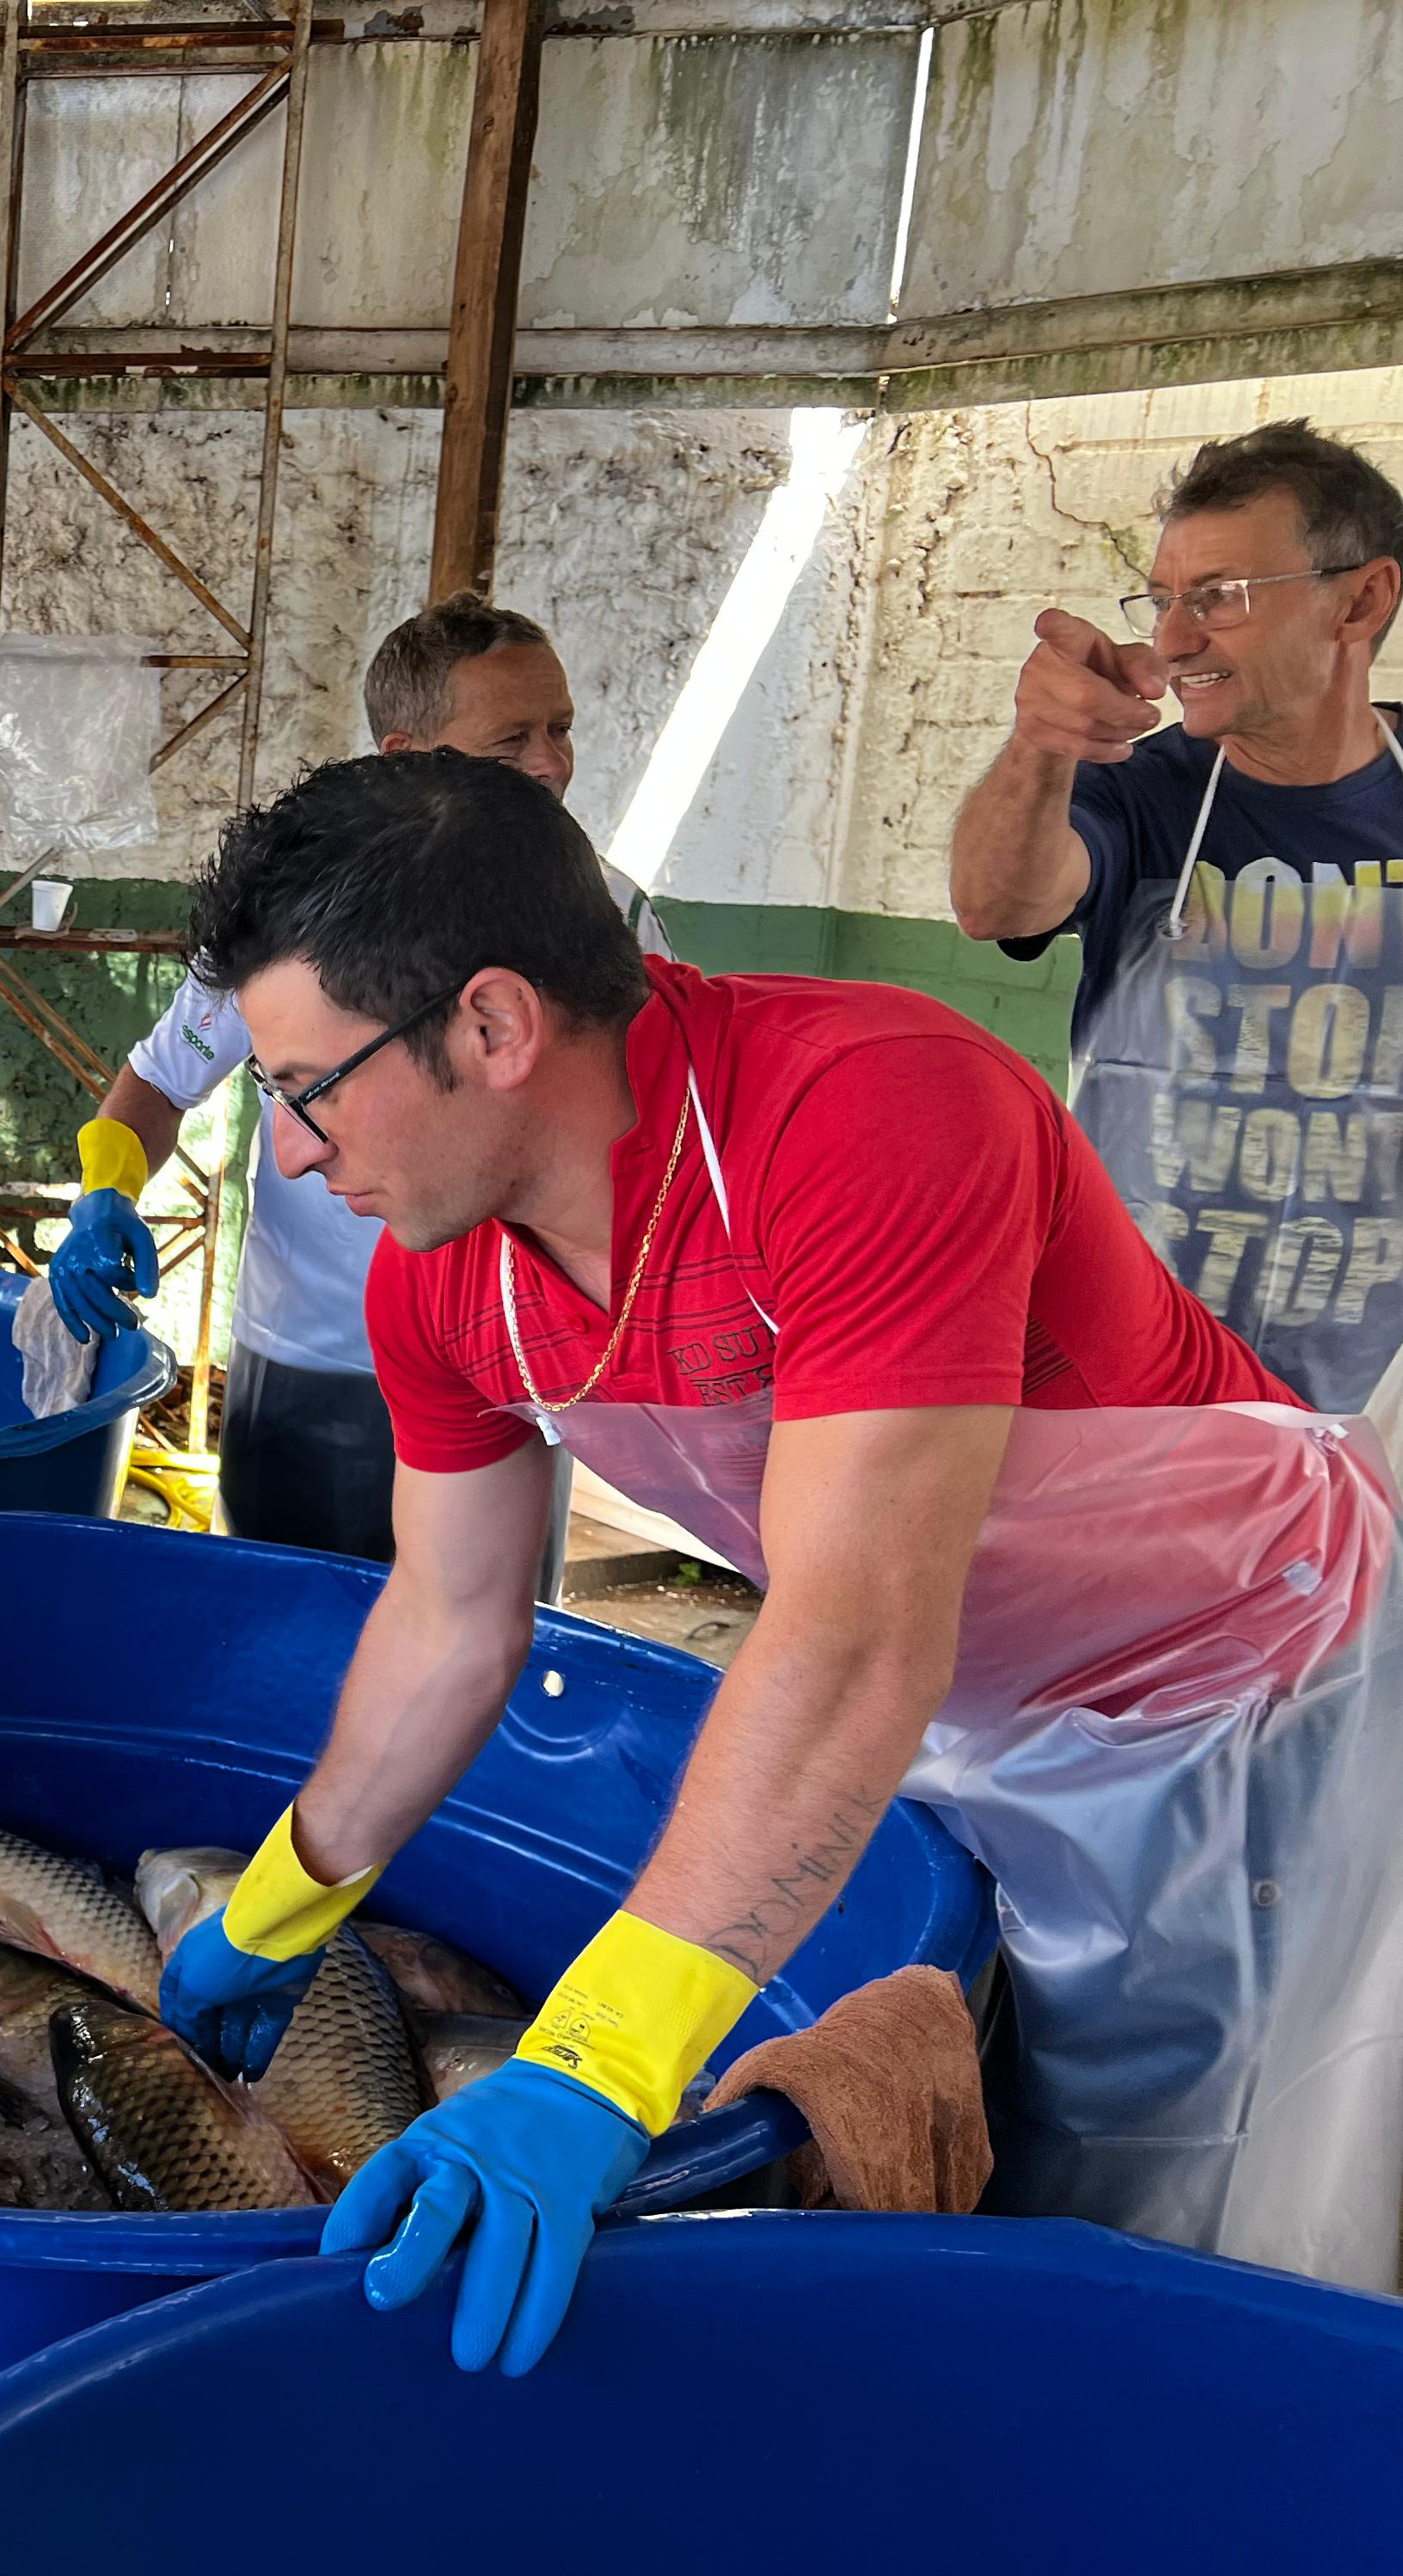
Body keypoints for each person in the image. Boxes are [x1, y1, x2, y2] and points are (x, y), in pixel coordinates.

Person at [158, 752, 1395, 2376]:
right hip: (975, 1718)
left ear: (493, 1024)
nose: (292, 1153)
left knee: (1209, 2244)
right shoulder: (440, 1280)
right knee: (1011, 2157)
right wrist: (278, 1900)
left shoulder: (868, 1112)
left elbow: (855, 1635)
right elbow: (451, 1619)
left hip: (1256, 1708)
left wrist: (594, 2062)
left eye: (309, 1086)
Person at [44, 593, 668, 1558]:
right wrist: (105, 1192)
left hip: (514, 1356)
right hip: (317, 1354)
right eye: (510, 742)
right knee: (292, 1617)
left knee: (484, 1622)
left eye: (560, 729)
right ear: (407, 755)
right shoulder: (290, 915)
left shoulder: (606, 916)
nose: (551, 763)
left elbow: (653, 1124)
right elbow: (160, 1083)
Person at [950, 420, 1403, 1415]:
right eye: (1162, 600)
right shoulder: (1140, 792)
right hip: (1130, 1368)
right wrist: (1040, 746)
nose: (1171, 641)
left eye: (1220, 596)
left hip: (1376, 1396)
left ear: (1362, 600)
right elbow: (996, 903)